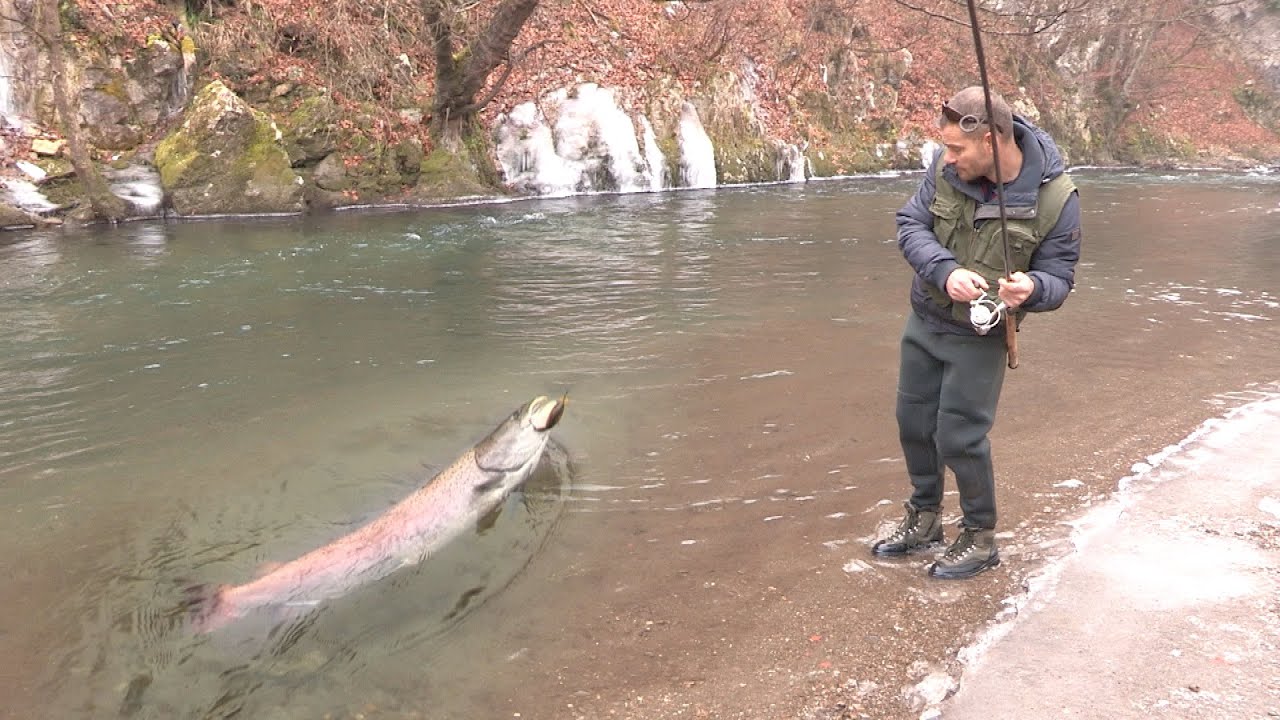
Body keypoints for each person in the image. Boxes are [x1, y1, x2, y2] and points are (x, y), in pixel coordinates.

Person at [871, 86, 1082, 579]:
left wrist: (1032, 287)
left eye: (957, 149)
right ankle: (924, 520)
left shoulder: (1057, 198)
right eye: (946, 149)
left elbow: (1061, 279)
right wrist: (944, 270)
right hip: (925, 319)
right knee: (913, 424)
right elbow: (910, 225)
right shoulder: (945, 172)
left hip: (980, 336)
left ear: (990, 140)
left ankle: (980, 538)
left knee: (959, 436)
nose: (948, 158)